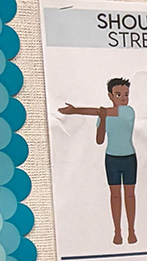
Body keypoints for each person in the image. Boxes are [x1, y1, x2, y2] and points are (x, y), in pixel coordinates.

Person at [58, 77, 137, 245]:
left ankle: (131, 231)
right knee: (115, 196)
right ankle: (117, 232)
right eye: (118, 94)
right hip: (112, 158)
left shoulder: (129, 111)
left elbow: (101, 112)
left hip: (129, 158)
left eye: (126, 94)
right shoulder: (104, 115)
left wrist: (76, 110)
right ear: (110, 95)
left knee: (129, 195)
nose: (123, 98)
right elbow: (100, 140)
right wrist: (101, 119)